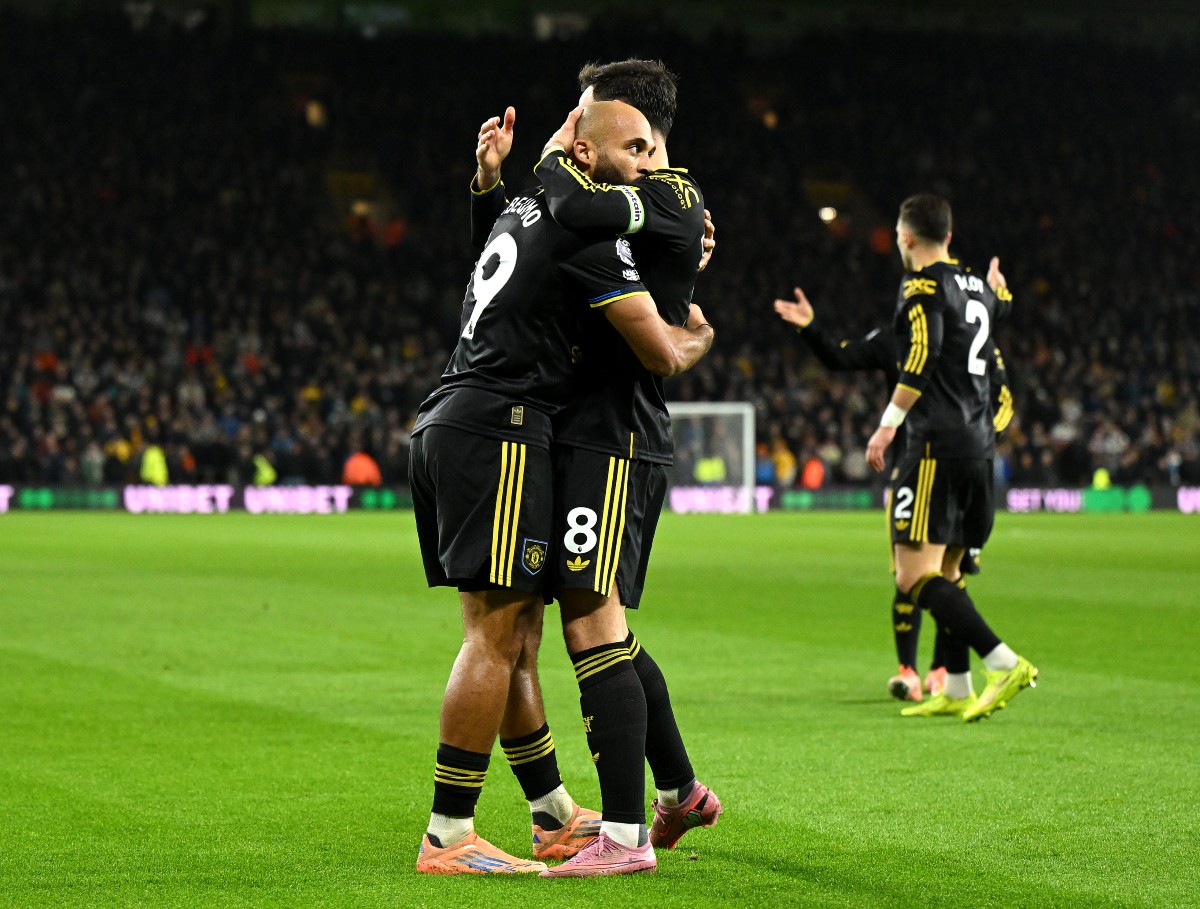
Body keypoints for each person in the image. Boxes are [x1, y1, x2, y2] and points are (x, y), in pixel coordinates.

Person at [413, 100, 716, 875]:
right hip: (505, 425)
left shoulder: (521, 208)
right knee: (502, 631)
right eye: (634, 149)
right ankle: (450, 832)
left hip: (462, 413)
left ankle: (551, 811)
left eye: (655, 149)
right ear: (586, 152)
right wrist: (691, 334)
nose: (649, 164)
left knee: (519, 630)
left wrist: (487, 181)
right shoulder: (586, 227)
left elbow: (495, 248)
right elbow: (654, 347)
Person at [773, 286, 1014, 702]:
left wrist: (974, 438)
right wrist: (811, 328)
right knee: (923, 577)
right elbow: (840, 356)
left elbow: (1003, 399)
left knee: (938, 574)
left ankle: (948, 670)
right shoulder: (892, 340)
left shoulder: (955, 339)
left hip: (948, 463)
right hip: (921, 465)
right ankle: (916, 672)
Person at [863, 193, 1037, 721]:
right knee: (950, 569)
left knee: (913, 577)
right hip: (980, 444)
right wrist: (1001, 293)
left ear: (907, 237)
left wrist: (885, 427)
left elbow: (921, 355)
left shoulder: (920, 286)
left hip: (936, 445)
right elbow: (999, 308)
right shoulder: (977, 286)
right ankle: (958, 688)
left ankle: (1002, 661)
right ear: (951, 237)